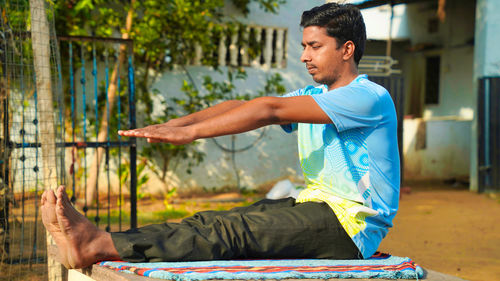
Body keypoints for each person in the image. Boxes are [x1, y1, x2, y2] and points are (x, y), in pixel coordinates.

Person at [41, 2, 400, 269]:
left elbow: (267, 110)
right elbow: (242, 104)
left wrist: (192, 134)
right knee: (209, 222)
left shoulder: (368, 98)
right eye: (304, 46)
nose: (304, 56)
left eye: (315, 46)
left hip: (349, 228)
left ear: (347, 49)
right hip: (317, 209)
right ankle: (95, 241)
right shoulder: (317, 97)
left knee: (231, 230)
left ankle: (94, 243)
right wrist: (176, 125)